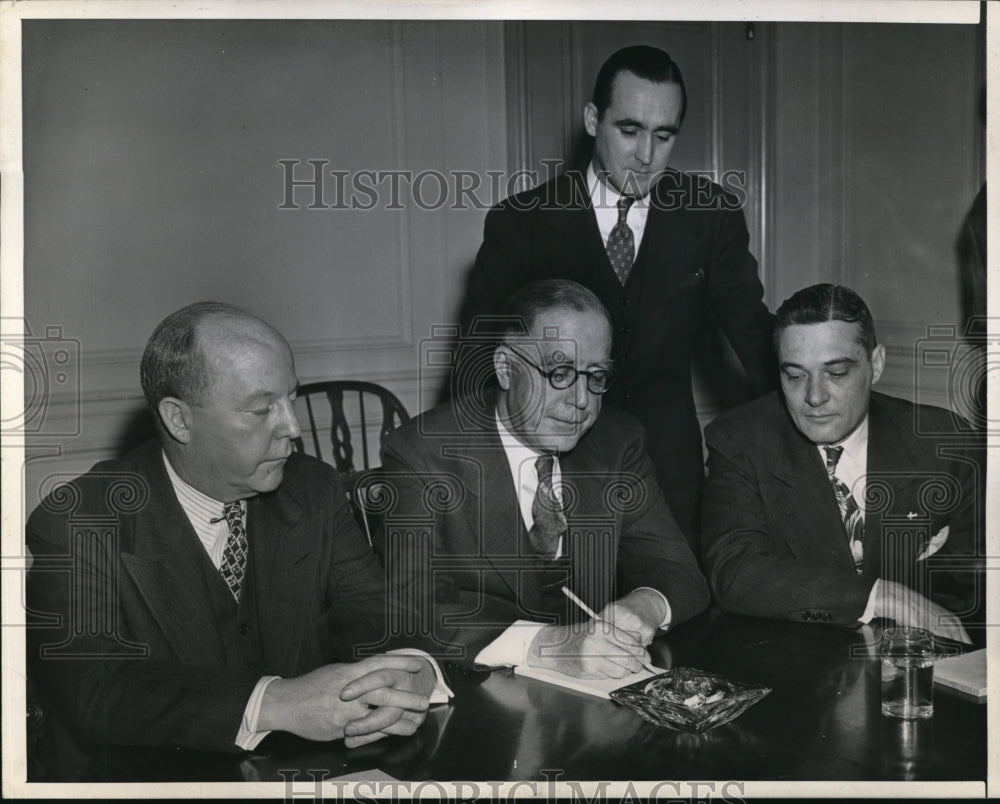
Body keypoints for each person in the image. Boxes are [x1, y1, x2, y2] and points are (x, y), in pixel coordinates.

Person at [25, 302, 450, 779]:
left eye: (292, 397)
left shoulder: (314, 489)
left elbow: (376, 615)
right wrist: (274, 703)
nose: (293, 427)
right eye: (260, 409)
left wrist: (414, 668)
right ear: (179, 420)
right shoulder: (79, 519)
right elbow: (95, 689)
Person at [459, 44, 777, 548]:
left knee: (674, 611)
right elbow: (475, 361)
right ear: (592, 119)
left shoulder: (710, 215)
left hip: (670, 473)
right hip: (558, 466)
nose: (646, 155)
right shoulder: (522, 223)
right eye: (628, 131)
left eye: (664, 135)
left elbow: (757, 339)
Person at [380, 279, 709, 679]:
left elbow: (676, 569)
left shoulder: (617, 441)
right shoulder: (423, 452)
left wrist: (644, 606)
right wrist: (549, 646)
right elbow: (413, 606)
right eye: (559, 373)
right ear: (505, 368)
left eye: (596, 376)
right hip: (481, 689)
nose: (582, 400)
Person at [701, 284, 983, 643]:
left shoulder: (944, 439)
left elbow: (977, 580)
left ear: (876, 364)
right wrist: (878, 596)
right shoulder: (740, 440)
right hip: (798, 668)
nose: (815, 397)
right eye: (795, 375)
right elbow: (734, 573)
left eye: (836, 373)